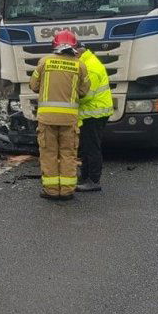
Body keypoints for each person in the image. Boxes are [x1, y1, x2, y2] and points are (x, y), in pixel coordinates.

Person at [28, 30, 90, 200]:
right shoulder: (80, 65)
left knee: (48, 153)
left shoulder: (44, 62)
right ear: (74, 46)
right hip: (69, 119)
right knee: (68, 154)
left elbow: (33, 85)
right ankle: (67, 190)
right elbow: (84, 91)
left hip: (47, 119)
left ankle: (52, 191)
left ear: (55, 45)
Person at [76, 46, 113, 193]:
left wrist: (69, 99)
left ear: (79, 51)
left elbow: (87, 95)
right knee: (86, 147)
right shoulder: (88, 62)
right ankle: (85, 177)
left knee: (92, 147)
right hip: (92, 112)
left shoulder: (90, 67)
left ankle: (93, 180)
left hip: (94, 113)